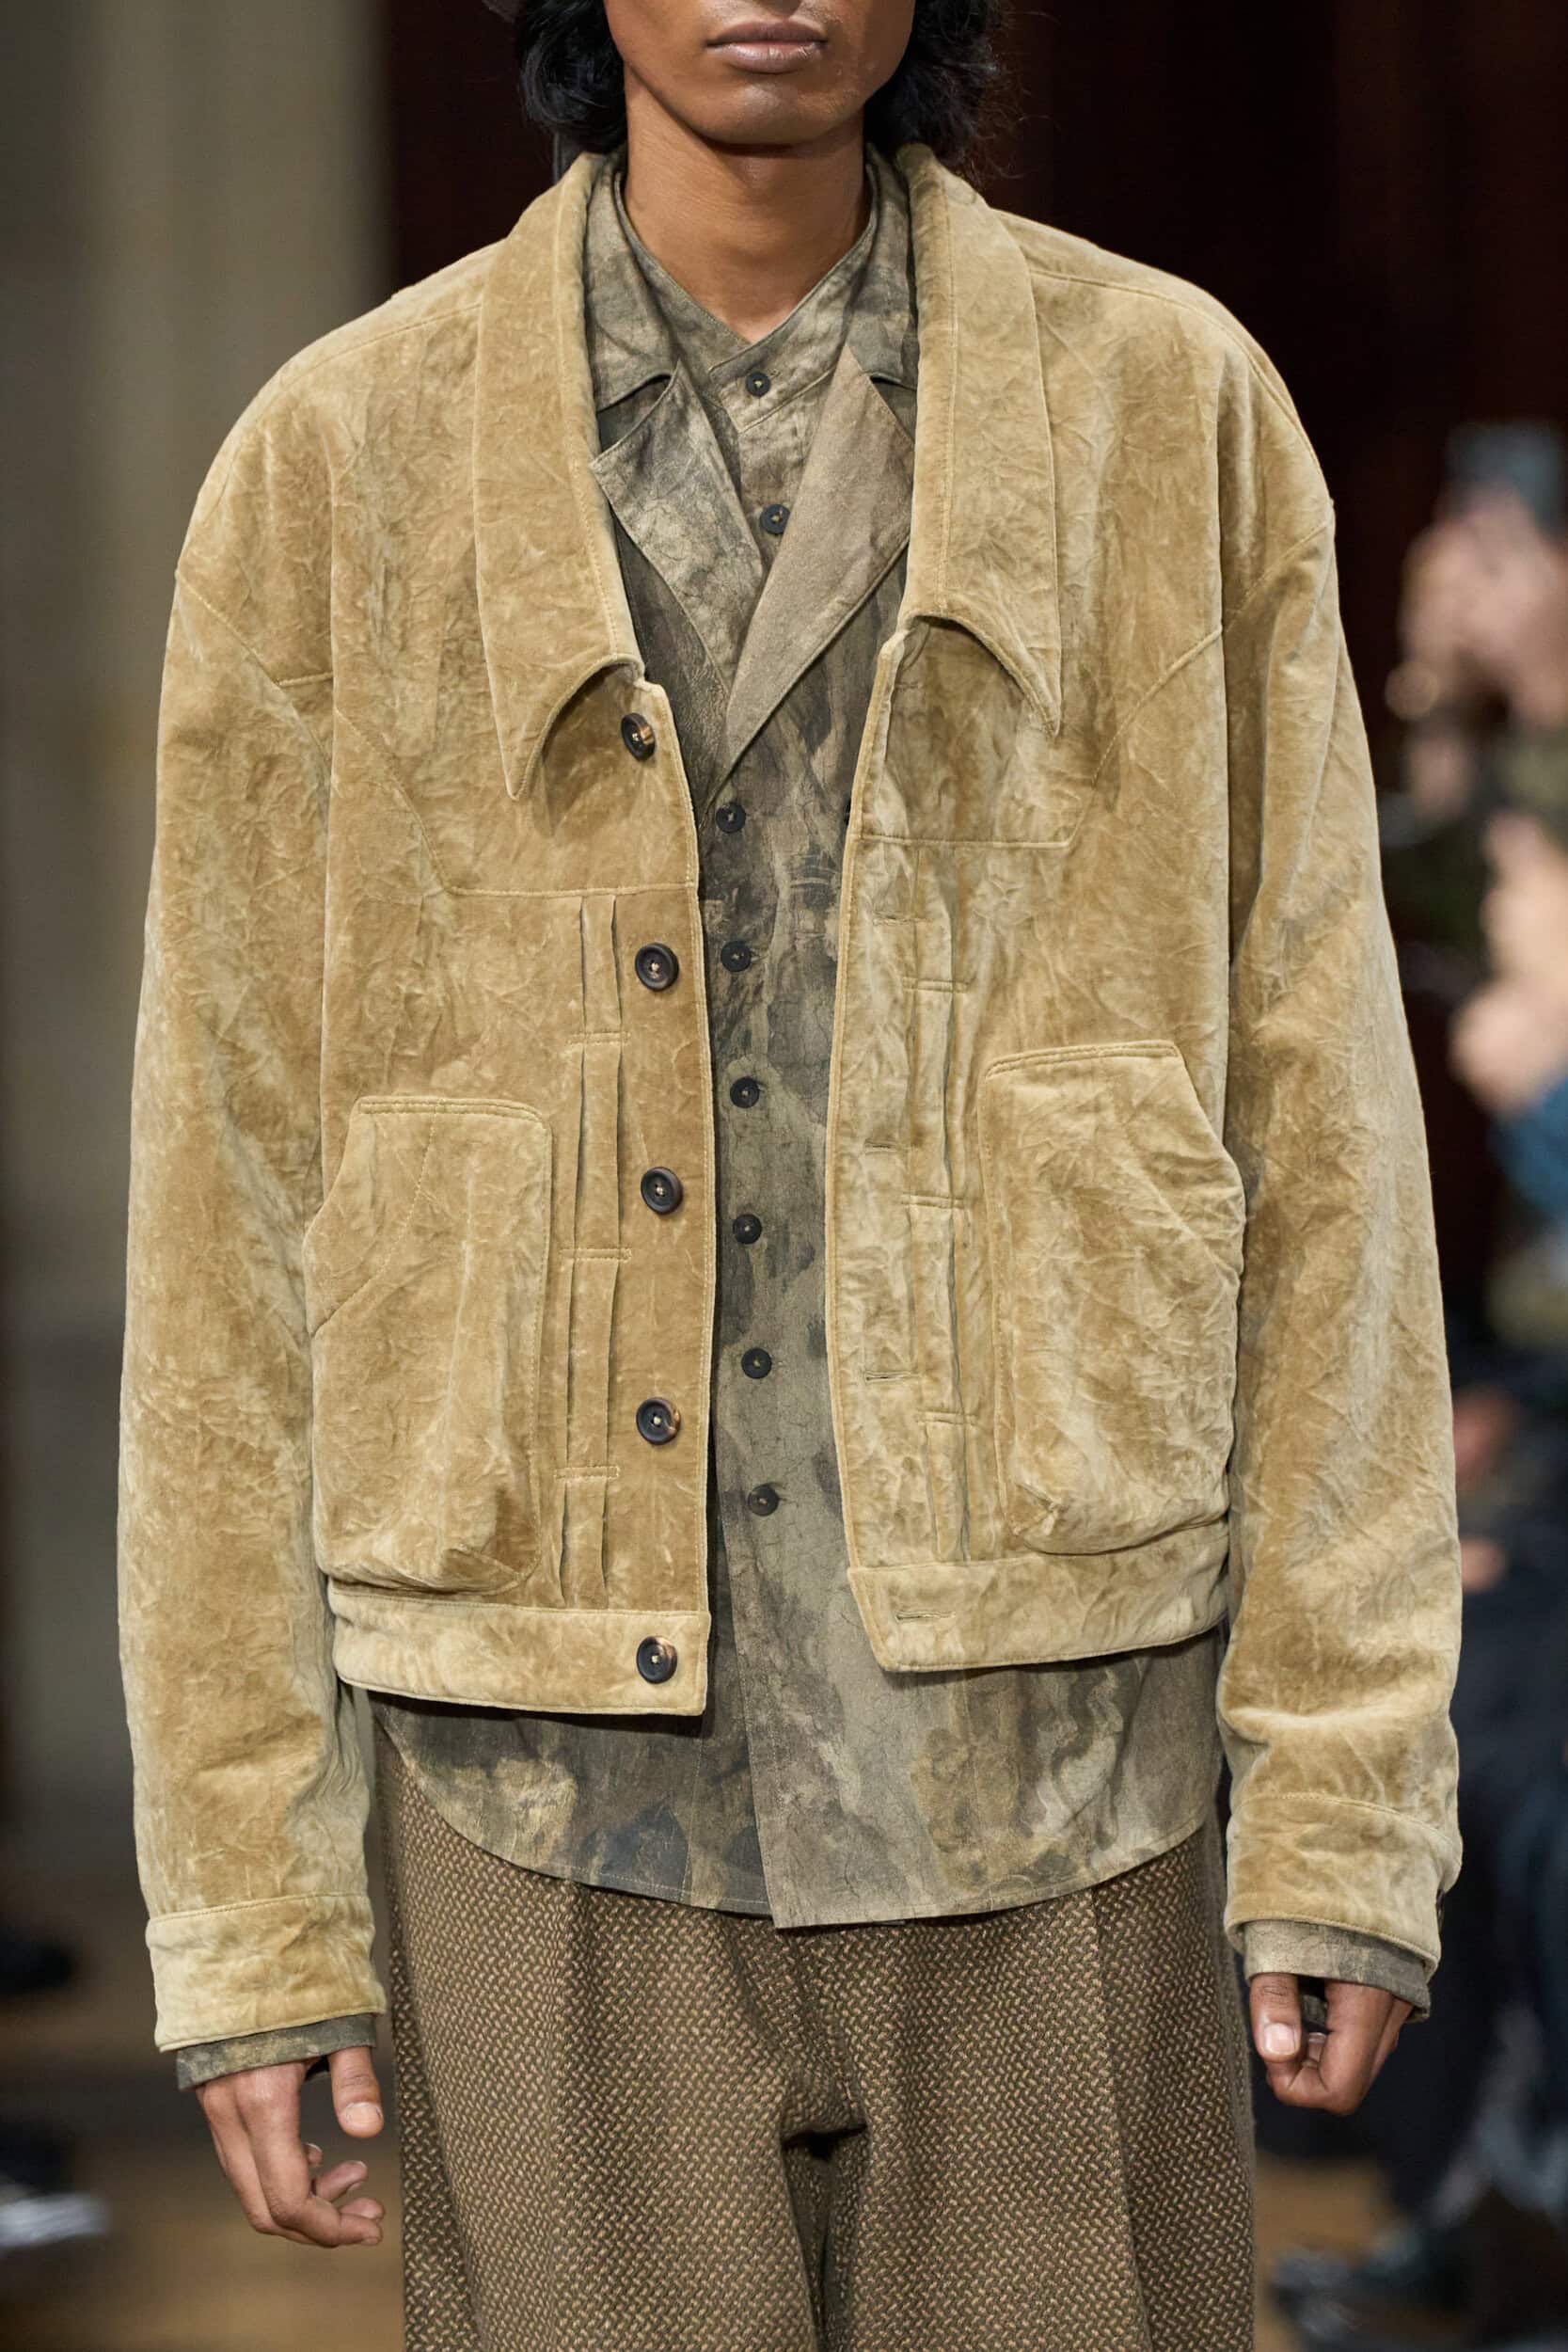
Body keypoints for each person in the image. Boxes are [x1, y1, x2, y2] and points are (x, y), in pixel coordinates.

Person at [116, 2, 1464, 2343]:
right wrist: (251, 1905)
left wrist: (1349, 1790)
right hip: (537, 1783)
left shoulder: (1167, 417)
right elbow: (226, 1207)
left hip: (1062, 1765)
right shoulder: (343, 464)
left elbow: (1325, 1127)